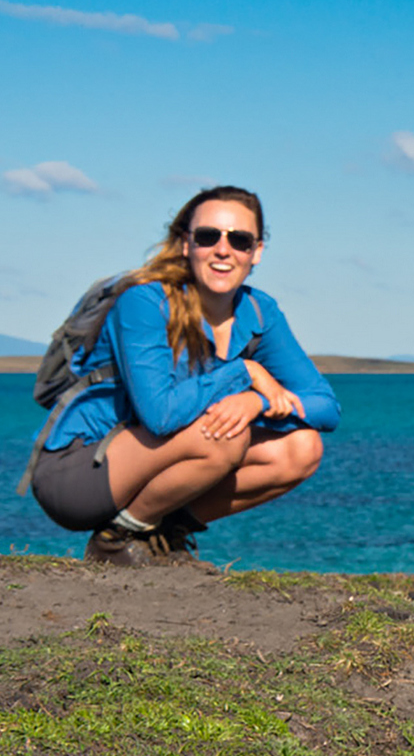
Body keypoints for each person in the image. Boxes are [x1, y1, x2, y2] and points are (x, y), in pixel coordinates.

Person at [28, 186, 338, 566]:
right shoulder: (144, 302)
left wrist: (254, 401)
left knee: (302, 448)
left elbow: (325, 406)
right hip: (80, 471)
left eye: (239, 240)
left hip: (160, 460)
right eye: (209, 236)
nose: (223, 250)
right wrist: (244, 372)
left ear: (256, 252)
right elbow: (161, 415)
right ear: (186, 244)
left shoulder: (259, 312)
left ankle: (160, 536)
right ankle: (115, 540)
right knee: (226, 436)